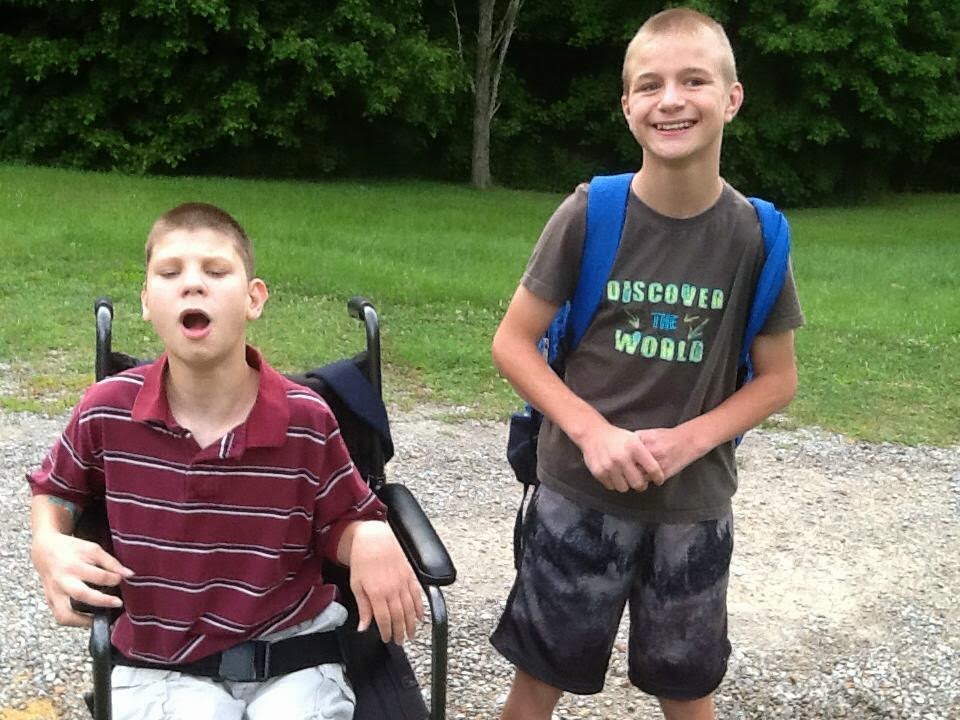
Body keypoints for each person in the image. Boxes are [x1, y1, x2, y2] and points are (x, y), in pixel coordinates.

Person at [489, 8, 804, 720]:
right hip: (576, 495)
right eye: (650, 84)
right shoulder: (590, 212)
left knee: (687, 692)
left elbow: (778, 378)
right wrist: (592, 432)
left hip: (693, 507)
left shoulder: (757, 236)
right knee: (537, 683)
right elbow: (512, 342)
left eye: (694, 81)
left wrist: (690, 440)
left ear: (732, 97)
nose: (671, 100)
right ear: (627, 104)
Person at [28, 202, 423, 720]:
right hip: (160, 665)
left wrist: (369, 534)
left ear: (253, 298)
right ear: (146, 300)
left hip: (293, 657)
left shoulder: (306, 418)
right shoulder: (107, 409)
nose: (193, 284)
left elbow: (341, 519)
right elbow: (56, 489)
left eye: (216, 271)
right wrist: (48, 542)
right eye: (170, 272)